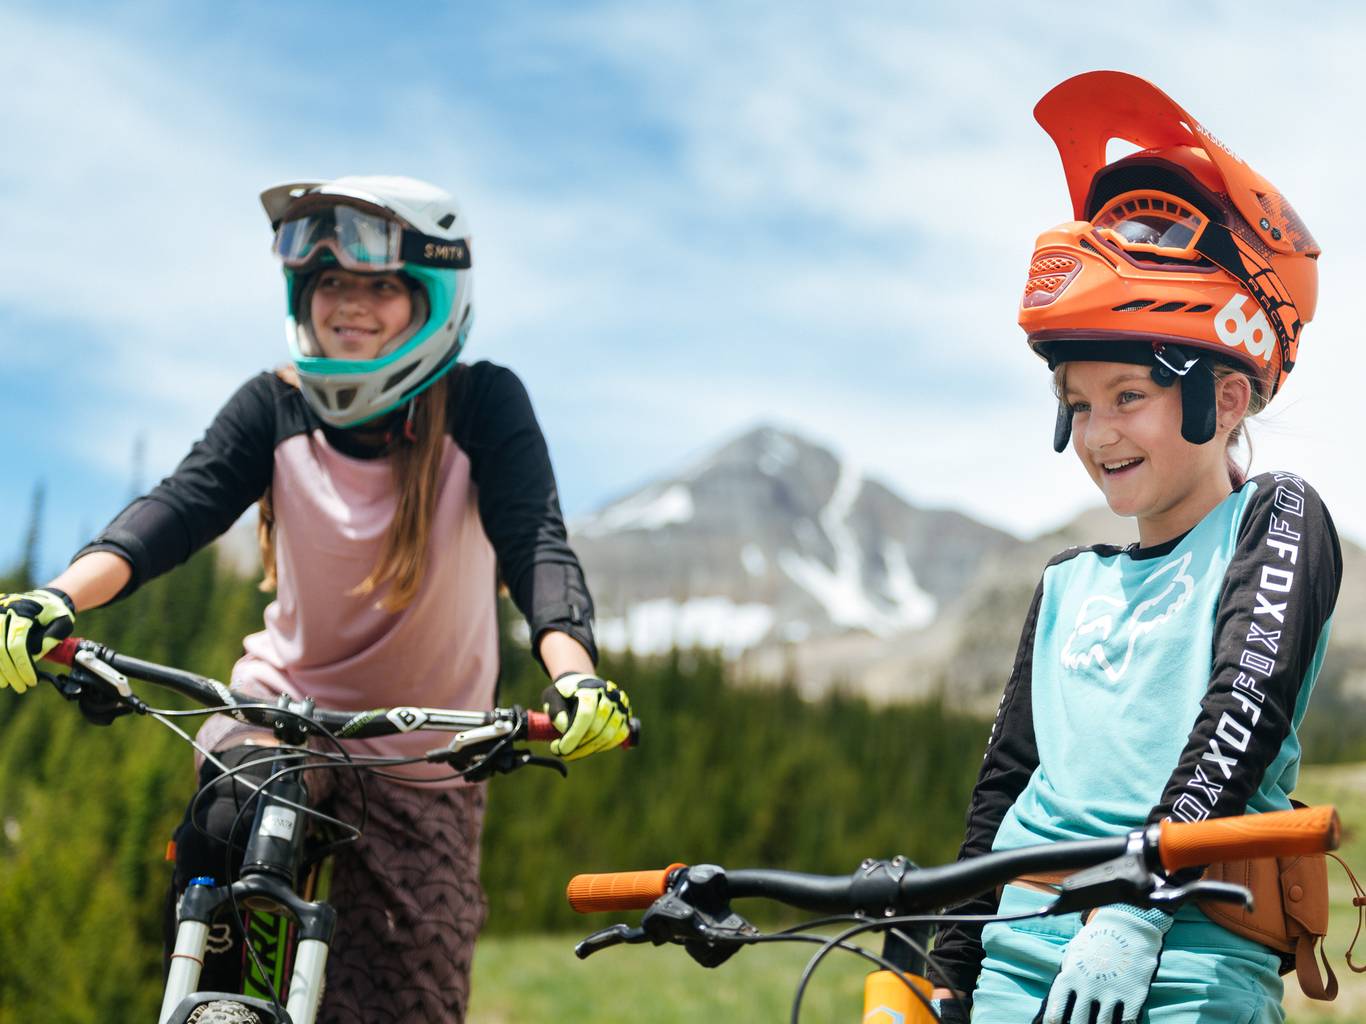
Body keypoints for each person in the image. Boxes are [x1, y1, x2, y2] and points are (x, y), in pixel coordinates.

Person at [0, 174, 632, 1023]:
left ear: (432, 299)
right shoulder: (274, 404)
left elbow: (537, 549)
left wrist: (576, 675)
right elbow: (177, 508)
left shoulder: (482, 405)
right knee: (236, 807)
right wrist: (54, 600)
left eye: (378, 284)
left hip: (428, 758)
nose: (350, 305)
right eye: (330, 282)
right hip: (280, 711)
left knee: (408, 1004)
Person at [928, 72, 1341, 1024]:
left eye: (1128, 397)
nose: (1099, 433)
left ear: (1225, 398)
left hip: (1189, 956)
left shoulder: (1274, 521)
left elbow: (1246, 708)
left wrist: (1136, 902)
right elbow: (1005, 785)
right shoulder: (1067, 583)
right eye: (1078, 404)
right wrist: (946, 967)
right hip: (1015, 962)